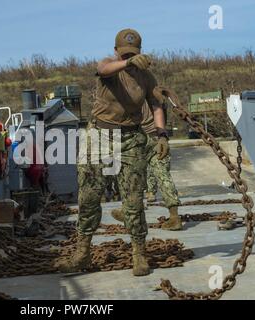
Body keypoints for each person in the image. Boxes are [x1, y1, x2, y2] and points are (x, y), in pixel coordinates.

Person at [56, 28, 169, 276]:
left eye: (134, 53)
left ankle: (139, 254)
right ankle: (82, 252)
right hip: (98, 136)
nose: (130, 58)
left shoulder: (146, 77)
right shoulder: (109, 66)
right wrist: (126, 62)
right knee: (88, 197)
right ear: (116, 50)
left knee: (133, 200)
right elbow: (104, 69)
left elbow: (156, 104)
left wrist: (161, 134)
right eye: (125, 52)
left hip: (130, 138)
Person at [111, 101, 182, 230]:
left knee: (132, 177)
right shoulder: (150, 89)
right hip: (156, 138)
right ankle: (174, 217)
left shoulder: (128, 92)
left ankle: (128, 212)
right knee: (163, 176)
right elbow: (159, 110)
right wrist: (163, 136)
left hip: (137, 140)